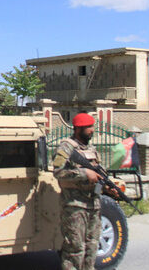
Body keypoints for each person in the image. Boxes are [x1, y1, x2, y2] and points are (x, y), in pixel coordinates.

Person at [52, 112, 109, 270]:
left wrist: (106, 187)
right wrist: (84, 173)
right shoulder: (66, 147)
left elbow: (99, 174)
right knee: (75, 249)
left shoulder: (91, 149)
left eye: (92, 126)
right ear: (78, 129)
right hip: (74, 206)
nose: (92, 130)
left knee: (92, 247)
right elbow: (58, 172)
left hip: (93, 204)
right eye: (89, 127)